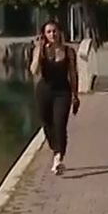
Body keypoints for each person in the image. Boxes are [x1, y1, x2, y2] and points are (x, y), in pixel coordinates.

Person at [29, 19, 78, 175]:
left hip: (62, 92)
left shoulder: (68, 51)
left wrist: (75, 95)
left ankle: (58, 157)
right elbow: (34, 70)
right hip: (44, 91)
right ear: (44, 34)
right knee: (47, 123)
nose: (52, 34)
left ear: (60, 32)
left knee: (60, 124)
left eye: (54, 31)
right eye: (49, 32)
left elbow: (73, 74)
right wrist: (38, 51)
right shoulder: (41, 51)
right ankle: (55, 148)